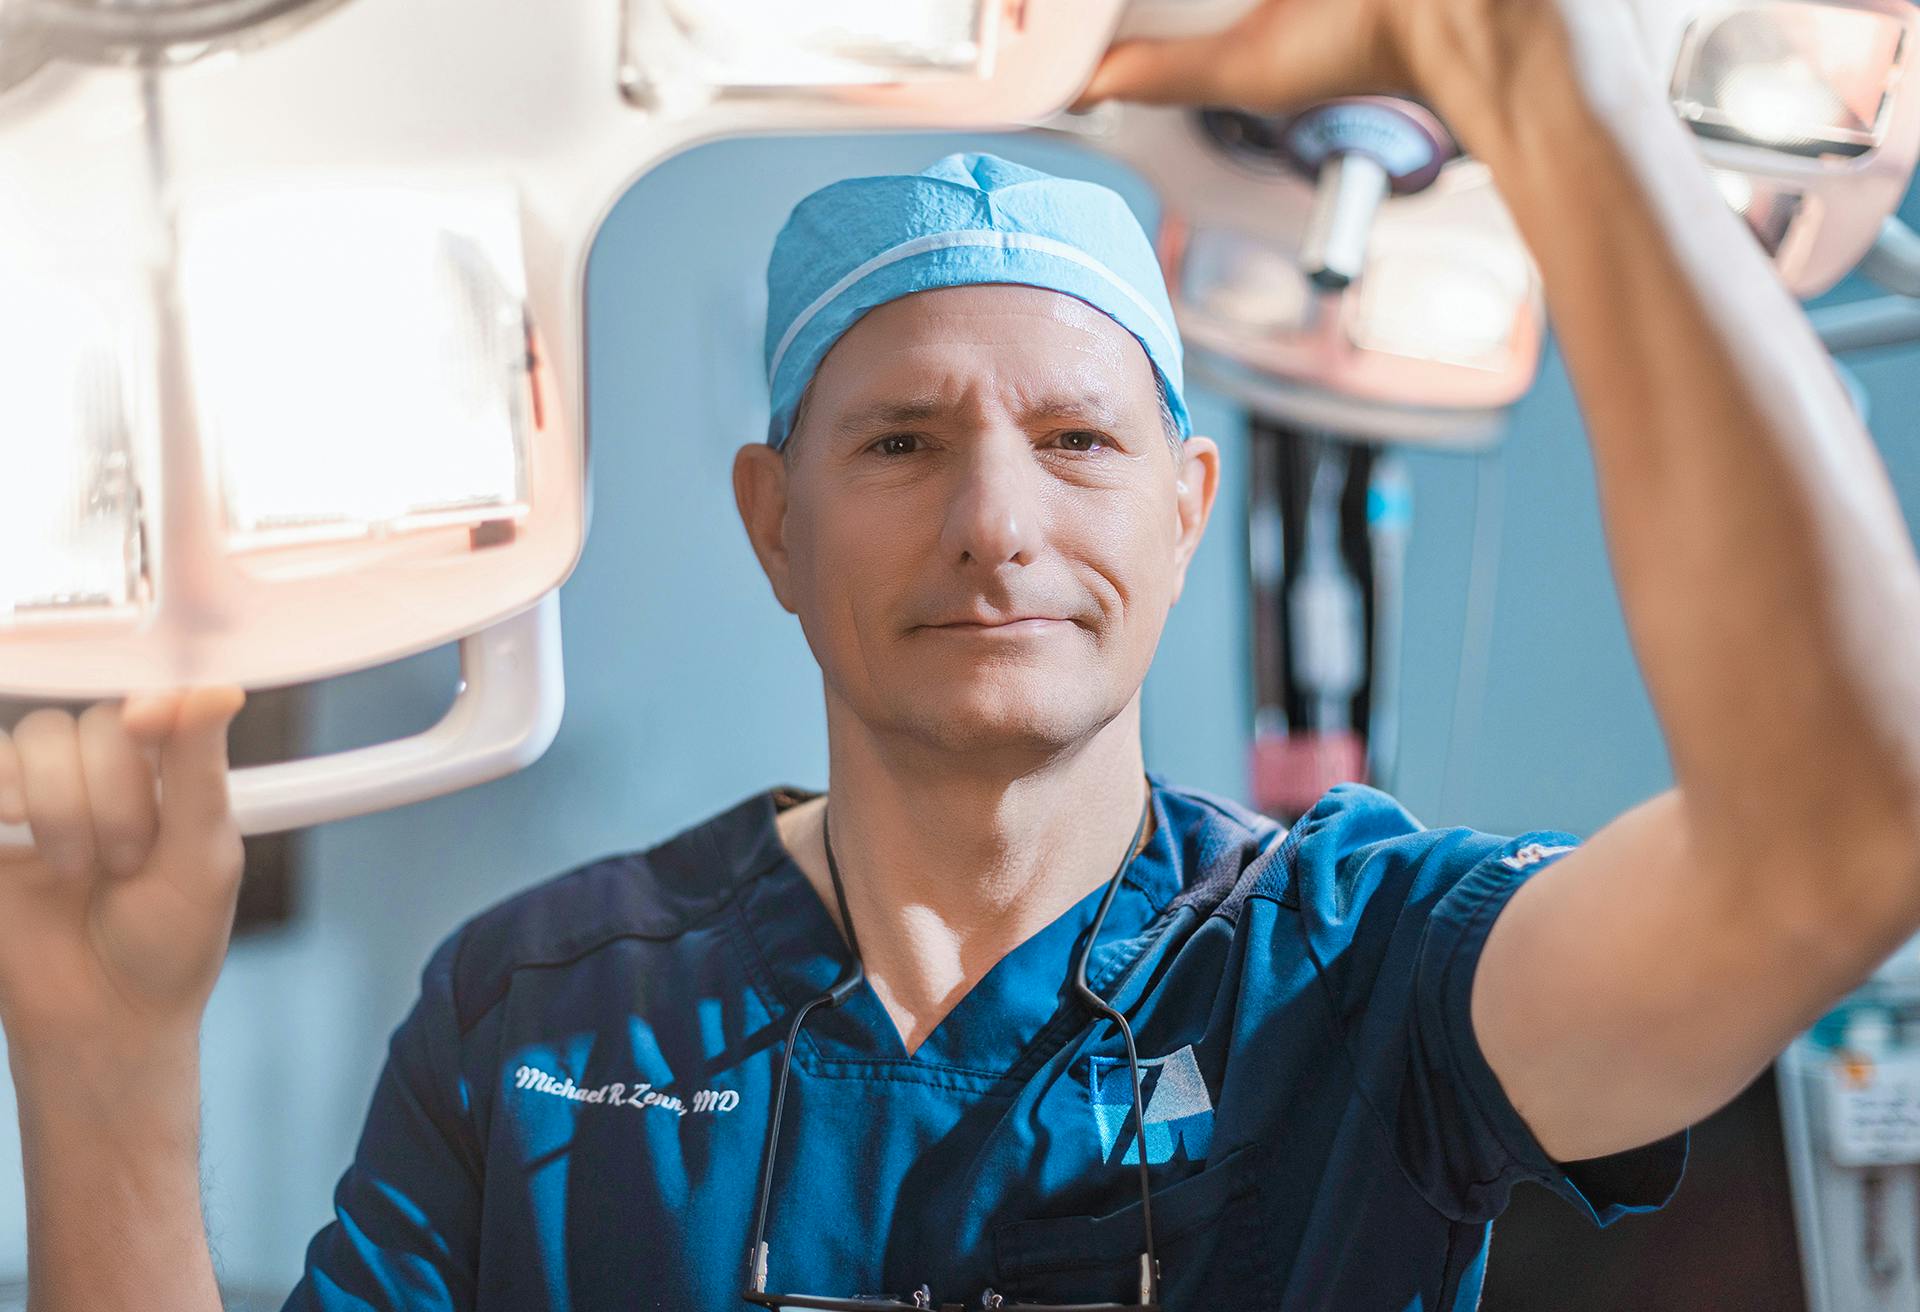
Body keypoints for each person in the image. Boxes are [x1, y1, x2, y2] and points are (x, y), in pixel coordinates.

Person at [6, 0, 1920, 1307]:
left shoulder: (1370, 971)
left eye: (1080, 444)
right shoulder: (542, 1013)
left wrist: (1546, 79)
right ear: (775, 518)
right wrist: (101, 1074)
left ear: (1183, 507)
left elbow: (1837, 834)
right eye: (903, 443)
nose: (997, 523)